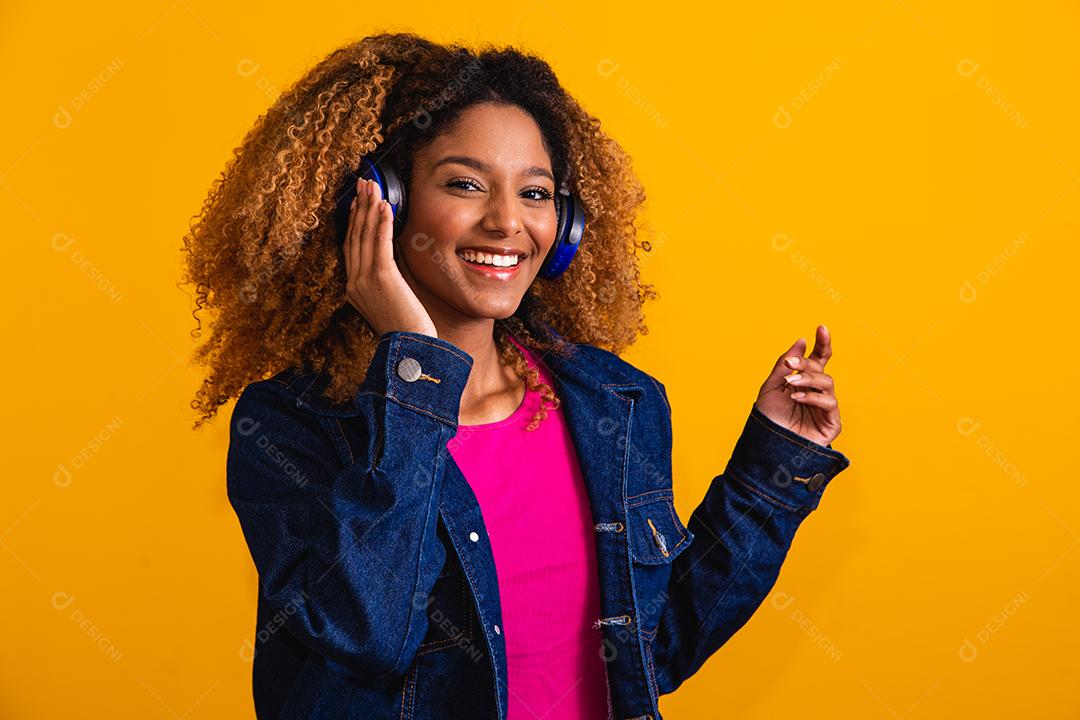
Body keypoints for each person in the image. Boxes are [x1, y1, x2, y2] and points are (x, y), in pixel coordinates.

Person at [182, 32, 851, 720]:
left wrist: (776, 459)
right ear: (380, 202)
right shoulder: (296, 423)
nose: (507, 223)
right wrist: (412, 361)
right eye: (465, 184)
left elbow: (656, 648)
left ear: (566, 227)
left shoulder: (613, 402)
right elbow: (367, 633)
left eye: (535, 192)